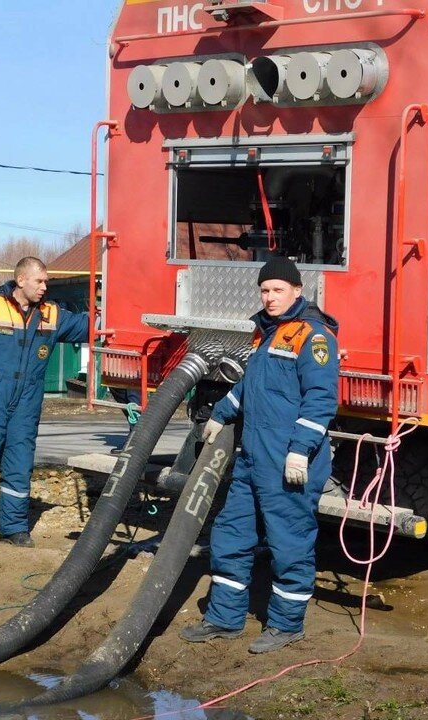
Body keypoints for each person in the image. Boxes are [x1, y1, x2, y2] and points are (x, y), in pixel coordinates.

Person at [179, 256, 339, 653]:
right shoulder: (266, 333)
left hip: (288, 462)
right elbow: (251, 386)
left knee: (289, 543)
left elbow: (321, 399)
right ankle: (224, 619)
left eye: (278, 290)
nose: (269, 297)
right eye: (265, 290)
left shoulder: (313, 336)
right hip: (253, 458)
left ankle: (286, 626)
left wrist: (300, 451)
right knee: (230, 535)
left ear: (298, 291)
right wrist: (221, 413)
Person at [0, 257, 89, 555]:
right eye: (39, 281)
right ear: (21, 280)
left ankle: (13, 528)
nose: (44, 287)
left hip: (26, 402)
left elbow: (89, 327)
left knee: (20, 463)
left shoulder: (51, 314)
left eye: (46, 282)